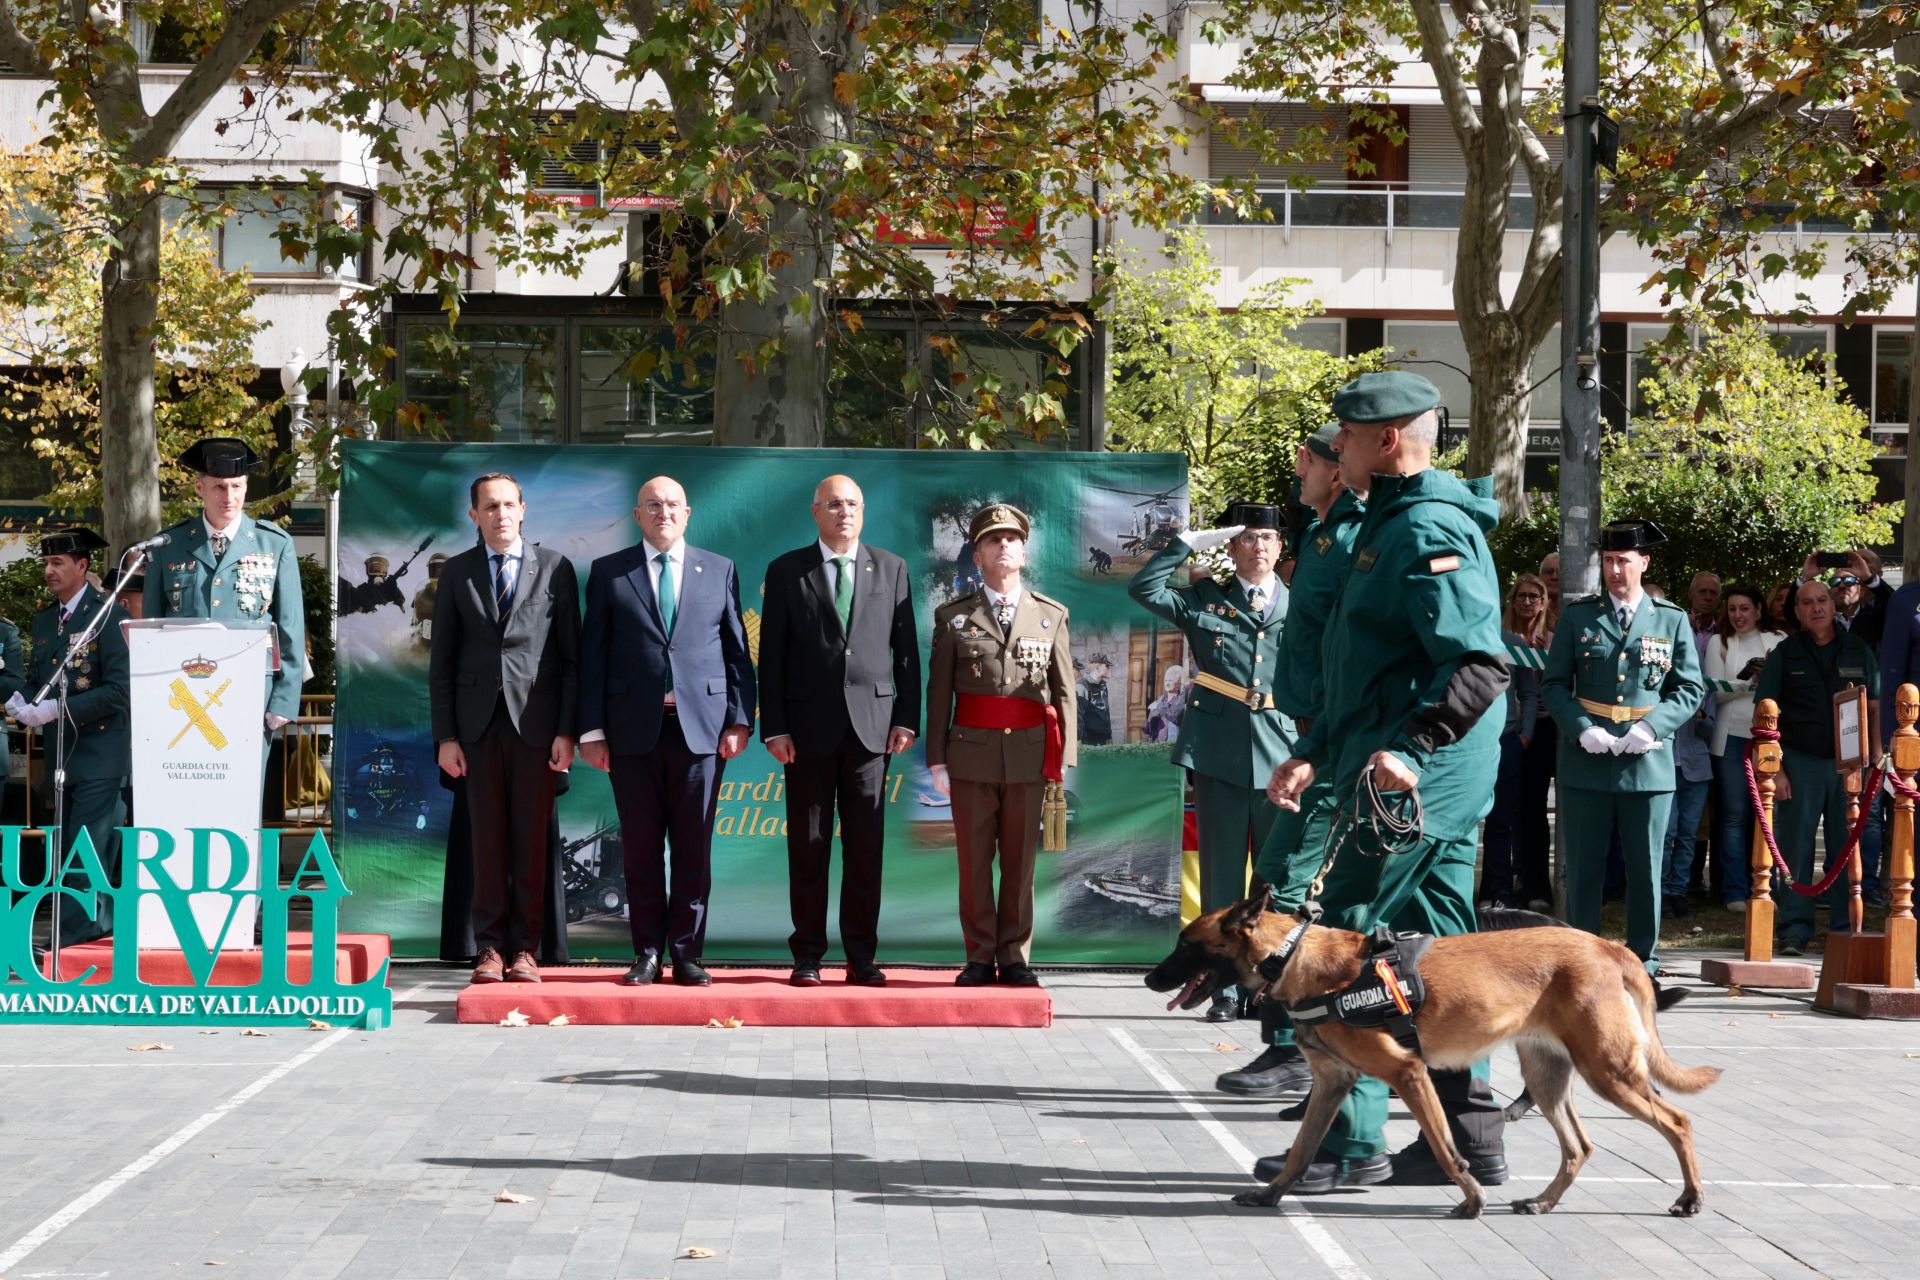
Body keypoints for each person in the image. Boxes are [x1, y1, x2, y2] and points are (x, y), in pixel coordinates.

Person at [1260, 373, 1510, 1193]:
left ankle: (1351, 1142)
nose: (1338, 446)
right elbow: (1368, 665)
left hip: (1420, 775)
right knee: (1440, 943)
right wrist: (1317, 748)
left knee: (1345, 936)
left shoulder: (1427, 524)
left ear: (1388, 439)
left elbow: (1478, 663)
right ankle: (1468, 1138)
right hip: (1395, 762)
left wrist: (1413, 748)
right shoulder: (1387, 519)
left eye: (1349, 434)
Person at [1225, 424, 1363, 1098]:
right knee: (1280, 886)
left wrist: (1319, 747)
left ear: (1338, 470)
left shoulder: (1356, 538)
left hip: (1338, 747)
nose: (1298, 466)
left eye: (1310, 459)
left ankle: (1295, 1047)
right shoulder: (1323, 536)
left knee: (1285, 892)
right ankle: (1302, 1049)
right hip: (1315, 742)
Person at [578, 476, 755, 987]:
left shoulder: (718, 569)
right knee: (640, 850)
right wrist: (591, 731)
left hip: (702, 732)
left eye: (673, 504)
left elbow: (737, 653)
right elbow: (593, 657)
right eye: (653, 505)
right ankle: (648, 954)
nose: (664, 512)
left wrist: (739, 719)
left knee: (693, 850)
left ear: (688, 513)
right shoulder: (610, 572)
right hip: (632, 733)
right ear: (638, 515)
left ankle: (688, 954)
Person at [1129, 500, 1295, 1022]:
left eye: (1267, 538)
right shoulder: (1207, 599)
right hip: (1219, 752)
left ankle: (1269, 989)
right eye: (1248, 537)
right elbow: (1144, 589)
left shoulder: (1301, 603)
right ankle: (1222, 989)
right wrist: (1185, 545)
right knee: (1222, 879)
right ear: (1231, 547)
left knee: (1274, 881)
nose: (1259, 546)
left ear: (1280, 547)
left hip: (1282, 751)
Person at [758, 474, 920, 988]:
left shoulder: (892, 567)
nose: (843, 512)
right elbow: (771, 658)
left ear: (863, 511)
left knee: (865, 850)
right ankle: (807, 955)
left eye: (851, 503)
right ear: (815, 512)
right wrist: (775, 727)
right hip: (806, 732)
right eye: (833, 504)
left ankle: (861, 958)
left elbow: (907, 652)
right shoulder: (787, 570)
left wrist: (906, 717)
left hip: (873, 731)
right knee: (808, 847)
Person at [428, 473, 580, 984]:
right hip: (475, 730)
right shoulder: (457, 572)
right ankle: (489, 948)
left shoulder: (555, 568)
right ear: (474, 515)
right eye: (490, 507)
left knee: (531, 844)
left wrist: (567, 731)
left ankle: (526, 950)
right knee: (486, 842)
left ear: (523, 509)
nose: (501, 514)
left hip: (537, 727)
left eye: (509, 505)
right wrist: (446, 737)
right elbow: (442, 663)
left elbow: (571, 658)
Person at [1541, 519, 1705, 975]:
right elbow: (1553, 685)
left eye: (1624, 561)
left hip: (1647, 764)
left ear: (1644, 562)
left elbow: (1689, 688)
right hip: (1587, 762)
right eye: (1609, 561)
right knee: (1584, 870)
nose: (1615, 570)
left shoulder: (1670, 618)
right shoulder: (1579, 616)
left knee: (1647, 868)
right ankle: (1582, 965)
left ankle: (1643, 963)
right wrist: (1581, 728)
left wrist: (1653, 727)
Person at [925, 503, 1076, 989]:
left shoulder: (1051, 615)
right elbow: (938, 694)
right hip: (970, 755)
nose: (1004, 545)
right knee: (973, 865)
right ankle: (978, 956)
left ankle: (1014, 957)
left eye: (1012, 539)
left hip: (1030, 757)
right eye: (993, 539)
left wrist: (1065, 757)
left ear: (1024, 553)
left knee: (1020, 865)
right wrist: (936, 759)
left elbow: (1065, 692)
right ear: (978, 556)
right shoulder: (954, 617)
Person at [143, 437, 306, 753]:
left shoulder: (274, 544)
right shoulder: (168, 545)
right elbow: (152, 627)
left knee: (246, 785)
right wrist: (151, 694)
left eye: (236, 486)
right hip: (182, 694)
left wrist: (285, 699)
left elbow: (290, 628)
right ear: (199, 488)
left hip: (252, 694)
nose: (229, 497)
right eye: (219, 487)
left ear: (246, 487)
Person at [8, 529, 130, 949]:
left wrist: (58, 709)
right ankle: (89, 933)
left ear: (82, 566)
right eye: (46, 562)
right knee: (66, 849)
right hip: (62, 754)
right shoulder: (46, 620)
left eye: (57, 562)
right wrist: (22, 700)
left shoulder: (108, 615)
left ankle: (73, 942)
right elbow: (38, 679)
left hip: (101, 753)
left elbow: (120, 691)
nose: (49, 570)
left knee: (86, 850)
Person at [1754, 578, 1879, 956]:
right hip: (1800, 762)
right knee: (1796, 848)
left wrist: (1873, 762)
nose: (1816, 608)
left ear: (1833, 604)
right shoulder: (1785, 653)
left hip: (1849, 765)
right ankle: (1794, 929)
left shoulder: (1858, 649)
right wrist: (1776, 770)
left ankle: (1844, 929)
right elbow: (1764, 714)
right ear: (1797, 611)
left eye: (1822, 600)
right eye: (1806, 602)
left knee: (1846, 847)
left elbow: (1874, 708)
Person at [1703, 584, 1783, 912]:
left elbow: (1785, 689)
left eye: (1745, 608)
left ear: (1759, 610)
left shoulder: (1778, 640)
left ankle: (1765, 886)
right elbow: (1715, 692)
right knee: (1734, 816)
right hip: (1730, 739)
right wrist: (1749, 681)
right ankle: (1734, 891)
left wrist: (1766, 677)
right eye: (1732, 609)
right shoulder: (1719, 643)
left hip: (1768, 737)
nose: (1738, 615)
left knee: (1766, 814)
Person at [1479, 576, 1545, 909]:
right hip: (1466, 744)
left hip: (1506, 742)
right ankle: (1471, 893)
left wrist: (1524, 735)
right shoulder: (1458, 637)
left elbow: (1529, 693)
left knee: (1501, 820)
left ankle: (1499, 892)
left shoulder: (1512, 643)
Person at [1075, 653, 1114, 746]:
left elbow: (1106, 712)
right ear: (1098, 668)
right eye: (1107, 666)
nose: (1109, 668)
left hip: (1103, 740)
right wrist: (1079, 740)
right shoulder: (1082, 686)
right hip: (1089, 741)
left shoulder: (1103, 685)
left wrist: (1109, 736)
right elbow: (1078, 717)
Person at [1145, 665, 1187, 743]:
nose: (1167, 683)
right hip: (1159, 744)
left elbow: (1175, 716)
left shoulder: (1180, 701)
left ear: (1178, 684)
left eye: (1170, 681)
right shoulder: (1160, 700)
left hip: (1175, 744)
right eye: (1166, 680)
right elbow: (1149, 727)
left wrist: (1159, 706)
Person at [1688, 572, 1722, 648]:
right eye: (1702, 591)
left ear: (1719, 599)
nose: (1708, 597)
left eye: (1713, 592)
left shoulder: (1725, 630)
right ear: (1690, 594)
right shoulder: (1677, 625)